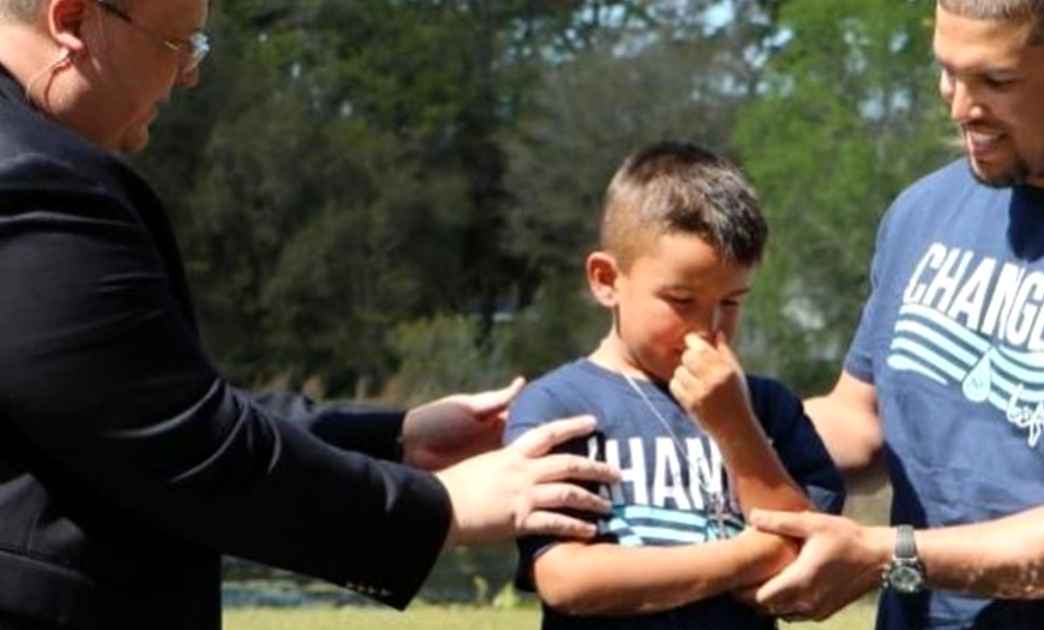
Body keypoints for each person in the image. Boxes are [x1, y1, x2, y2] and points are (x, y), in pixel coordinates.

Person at [0, 0, 621, 628]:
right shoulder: (33, 182)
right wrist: (441, 507)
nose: (188, 73)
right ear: (73, 22)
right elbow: (182, 442)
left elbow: (136, 395)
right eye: (177, 45)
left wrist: (394, 439)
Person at [742, 1, 1044, 629]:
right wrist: (690, 440)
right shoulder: (924, 211)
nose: (958, 106)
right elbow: (863, 418)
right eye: (947, 72)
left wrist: (892, 556)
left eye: (996, 82)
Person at [503, 141, 846, 630]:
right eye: (681, 299)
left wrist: (735, 425)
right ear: (606, 280)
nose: (708, 328)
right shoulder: (558, 407)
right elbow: (568, 579)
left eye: (732, 302)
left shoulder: (769, 409)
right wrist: (748, 557)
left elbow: (807, 561)